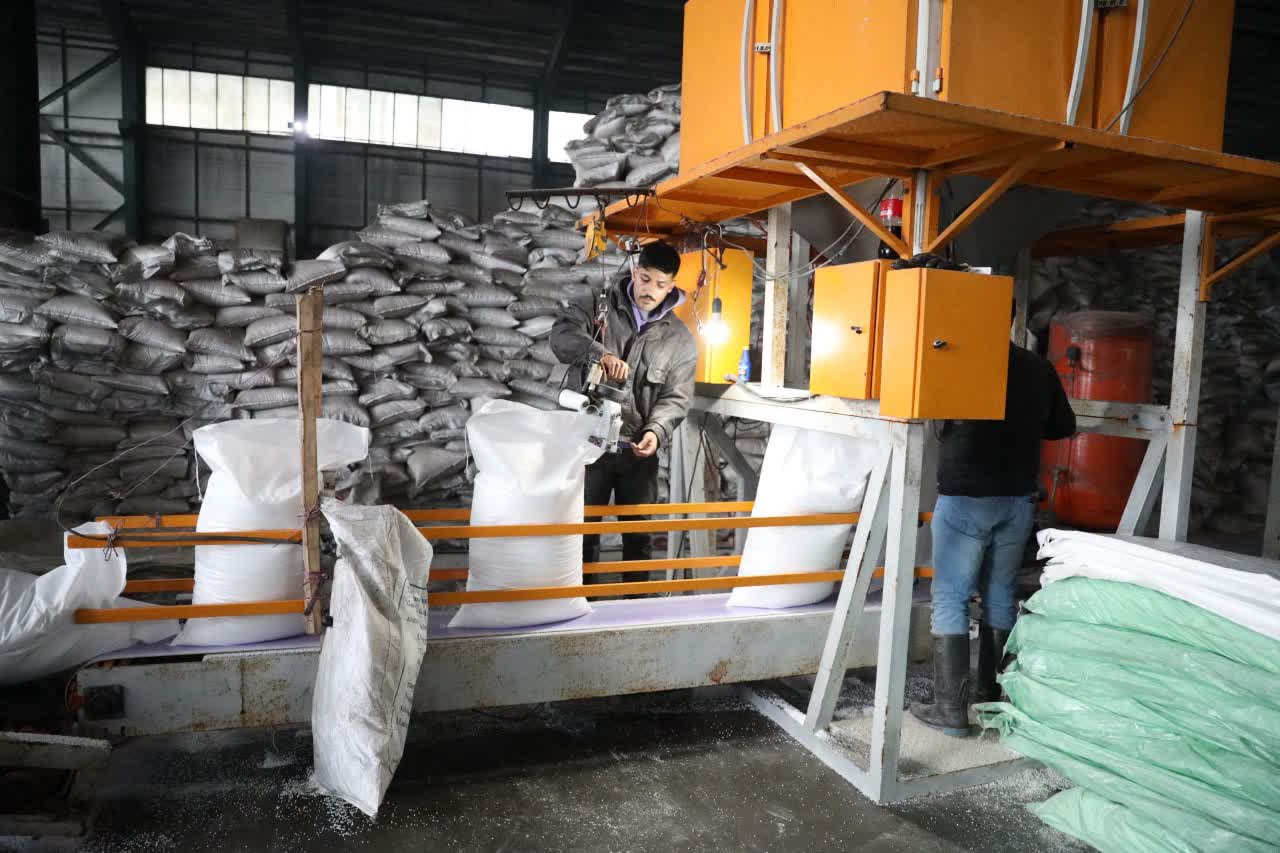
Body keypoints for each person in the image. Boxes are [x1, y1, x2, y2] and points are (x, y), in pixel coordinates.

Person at [909, 325, 1076, 737]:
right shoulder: (1038, 367)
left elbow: (925, 414)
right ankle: (988, 700)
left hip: (965, 497)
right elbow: (1062, 426)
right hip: (1016, 500)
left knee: (951, 597)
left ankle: (951, 711)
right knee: (1000, 596)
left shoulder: (954, 363)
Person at [550, 241, 698, 582]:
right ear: (635, 271)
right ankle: (581, 604)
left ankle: (636, 607)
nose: (650, 290)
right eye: (645, 279)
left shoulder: (679, 339)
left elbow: (676, 397)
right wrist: (598, 354)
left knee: (639, 538)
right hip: (589, 447)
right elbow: (562, 335)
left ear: (671, 286)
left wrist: (656, 431)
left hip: (636, 451)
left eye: (660, 284)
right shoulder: (598, 306)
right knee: (582, 533)